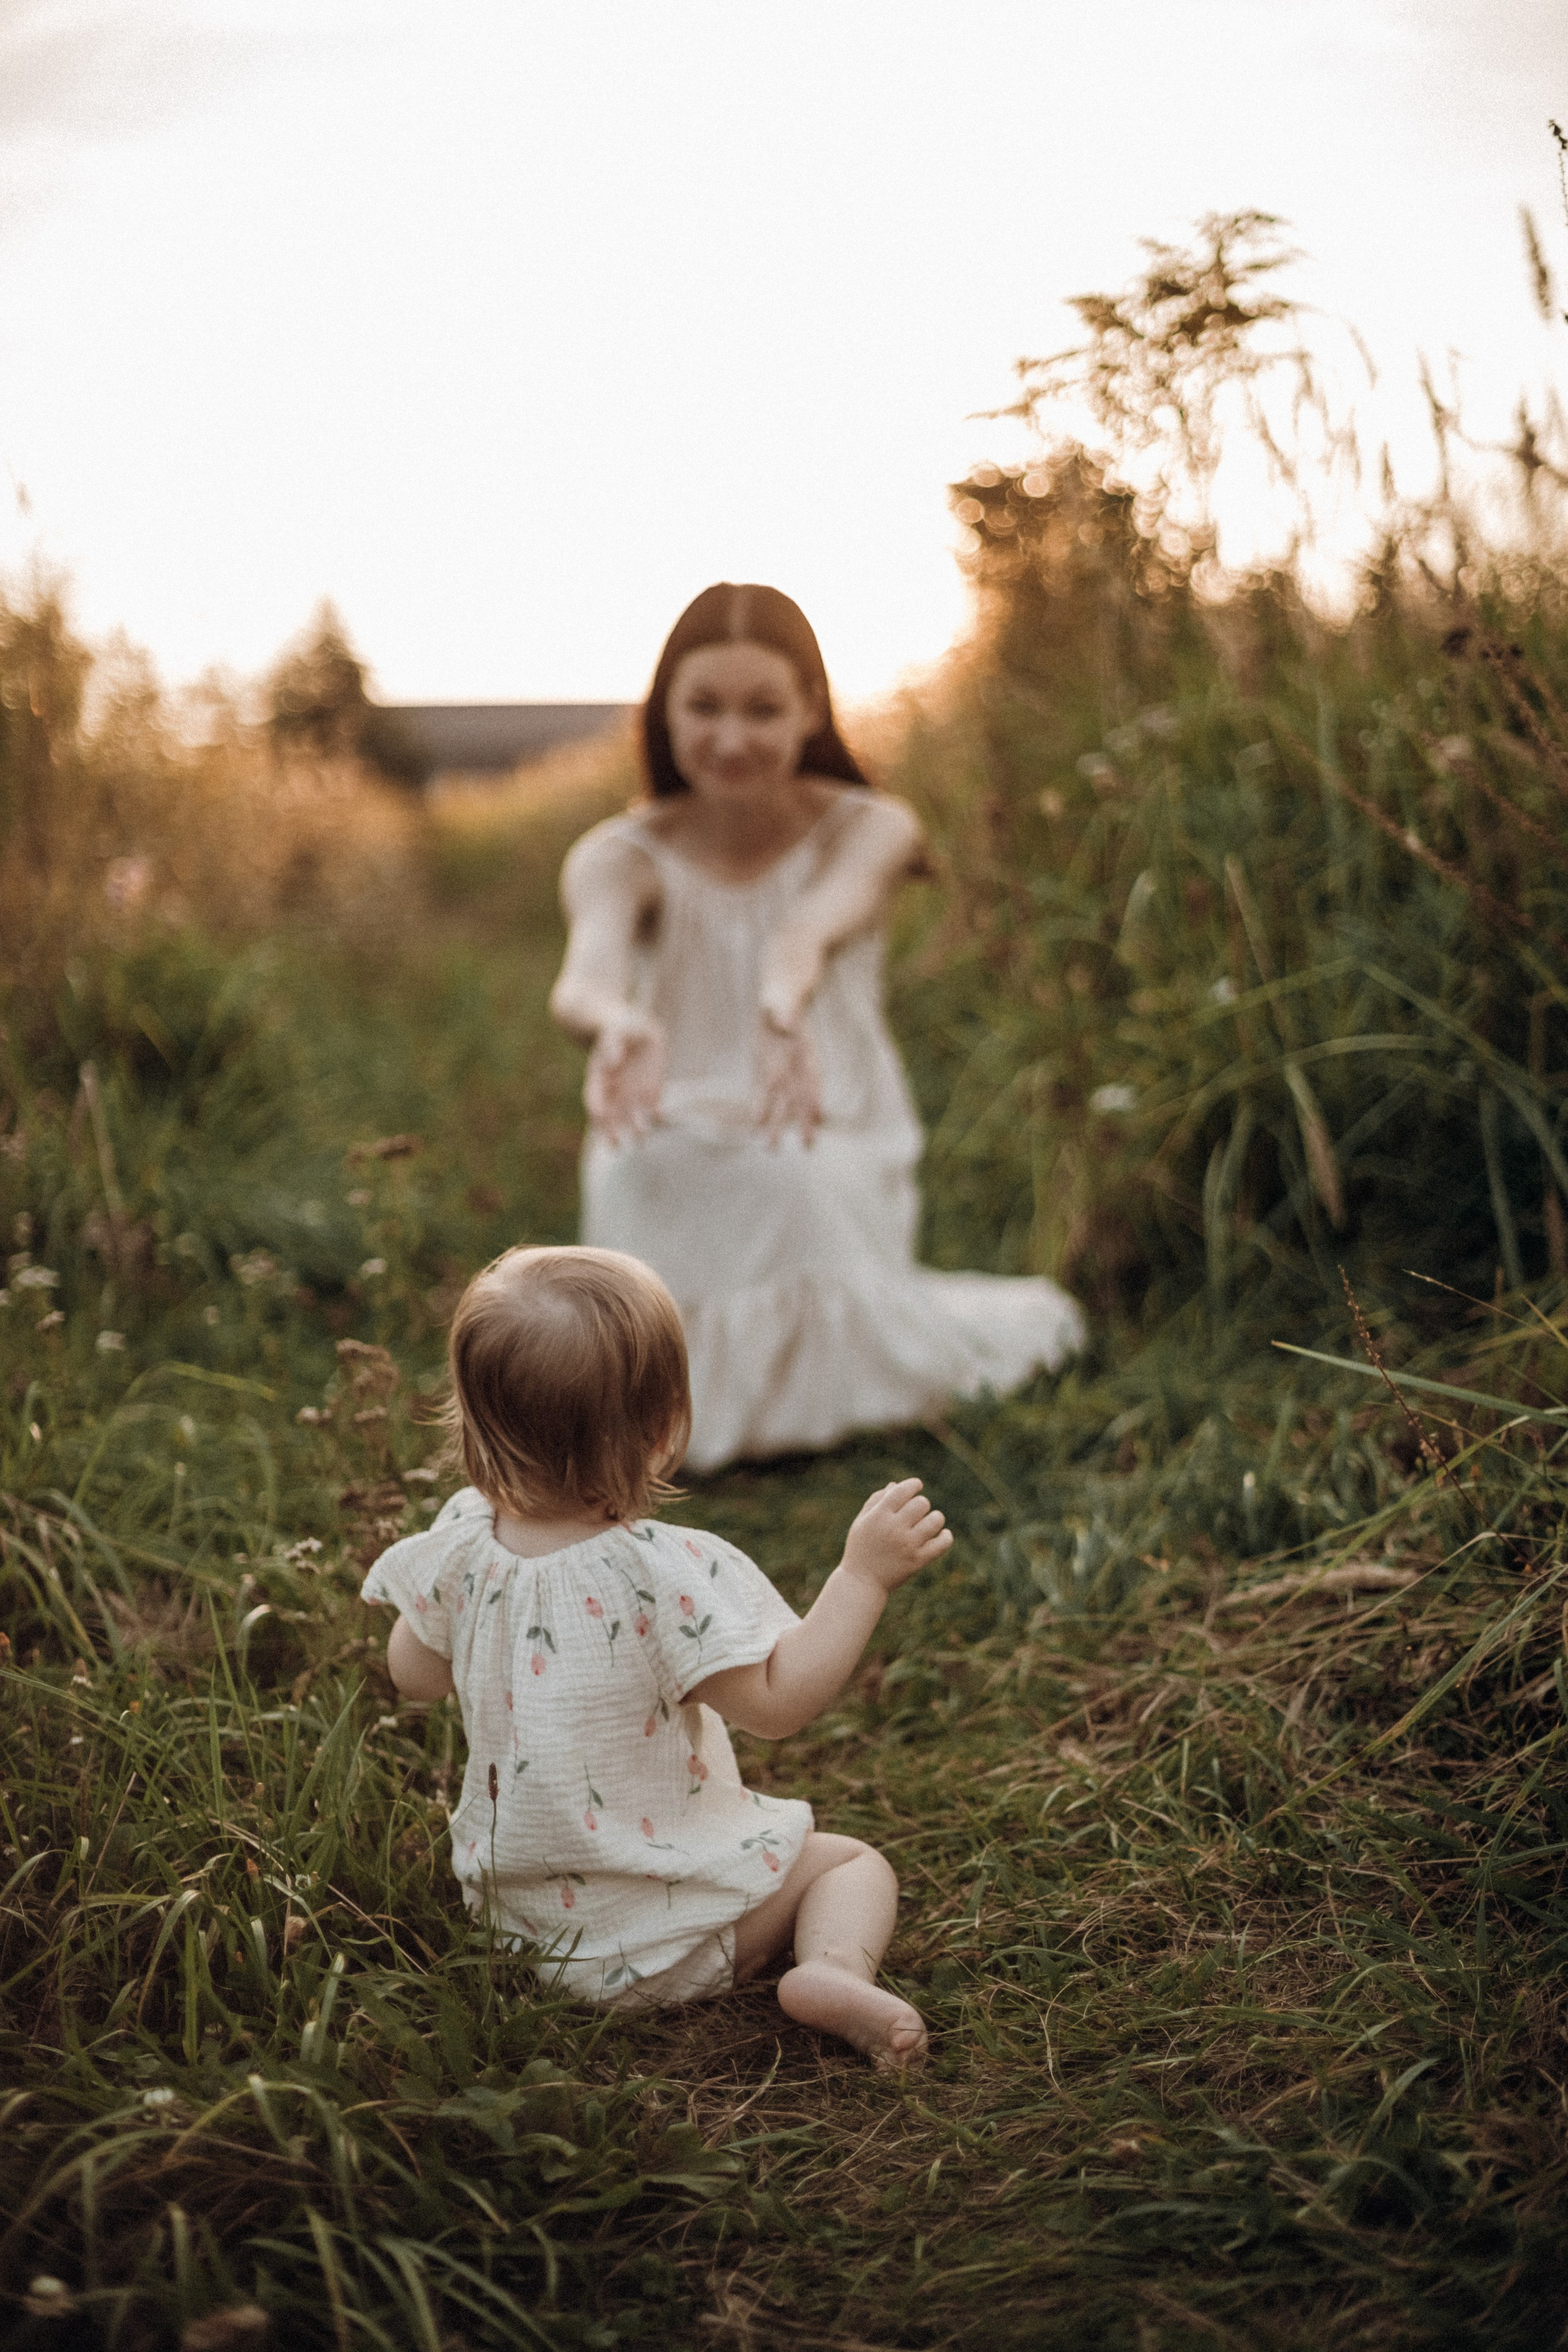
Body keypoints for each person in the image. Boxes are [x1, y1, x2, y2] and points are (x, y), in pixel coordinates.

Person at [364, 1243, 948, 2065]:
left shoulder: (462, 1546)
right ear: (666, 1426)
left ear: (470, 1420)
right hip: (676, 1941)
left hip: (522, 1935)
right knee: (848, 1866)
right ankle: (831, 1970)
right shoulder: (659, 1576)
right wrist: (862, 1576)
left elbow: (411, 1675)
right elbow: (781, 1704)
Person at [548, 580, 1084, 1471]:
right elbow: (584, 978)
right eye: (704, 707)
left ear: (811, 711)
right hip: (673, 1115)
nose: (730, 738)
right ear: (665, 715)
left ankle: (794, 1406)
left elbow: (810, 928)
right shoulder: (618, 855)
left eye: (763, 709)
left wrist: (779, 1007)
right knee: (641, 1164)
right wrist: (618, 1026)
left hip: (817, 1109)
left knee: (791, 1175)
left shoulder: (870, 826)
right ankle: (679, 1401)